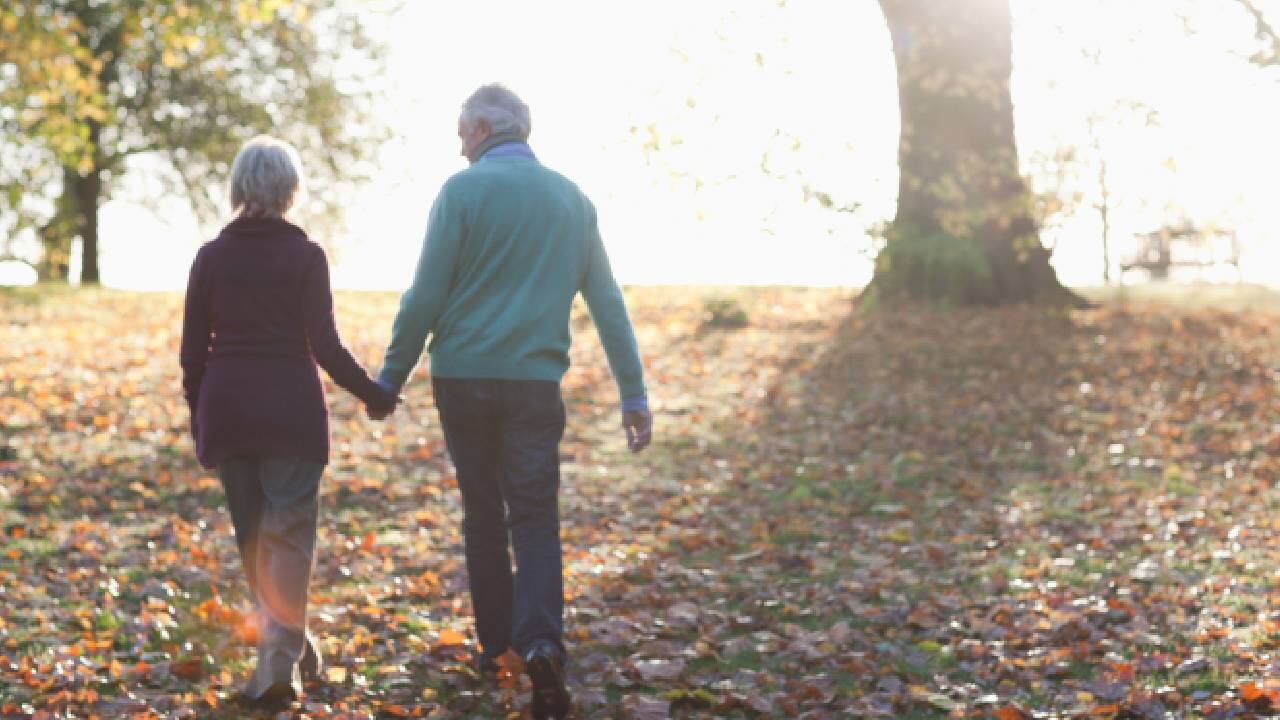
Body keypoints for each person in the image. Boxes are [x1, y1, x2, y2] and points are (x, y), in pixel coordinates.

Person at [376, 84, 653, 720]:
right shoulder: (572, 201)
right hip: (533, 384)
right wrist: (632, 391)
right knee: (534, 517)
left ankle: (496, 643)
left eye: (458, 130)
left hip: (463, 379)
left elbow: (424, 296)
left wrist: (391, 377)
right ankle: (540, 644)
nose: (456, 142)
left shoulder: (460, 192)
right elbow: (607, 304)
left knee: (482, 512)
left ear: (479, 129)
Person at [179, 135, 398, 707]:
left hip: (229, 410)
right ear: (290, 190)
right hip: (291, 413)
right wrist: (372, 393)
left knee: (256, 543)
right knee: (287, 543)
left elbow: (192, 353)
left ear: (238, 189)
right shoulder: (306, 257)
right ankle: (283, 663)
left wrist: (199, 416)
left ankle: (288, 657)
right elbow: (325, 346)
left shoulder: (210, 257)